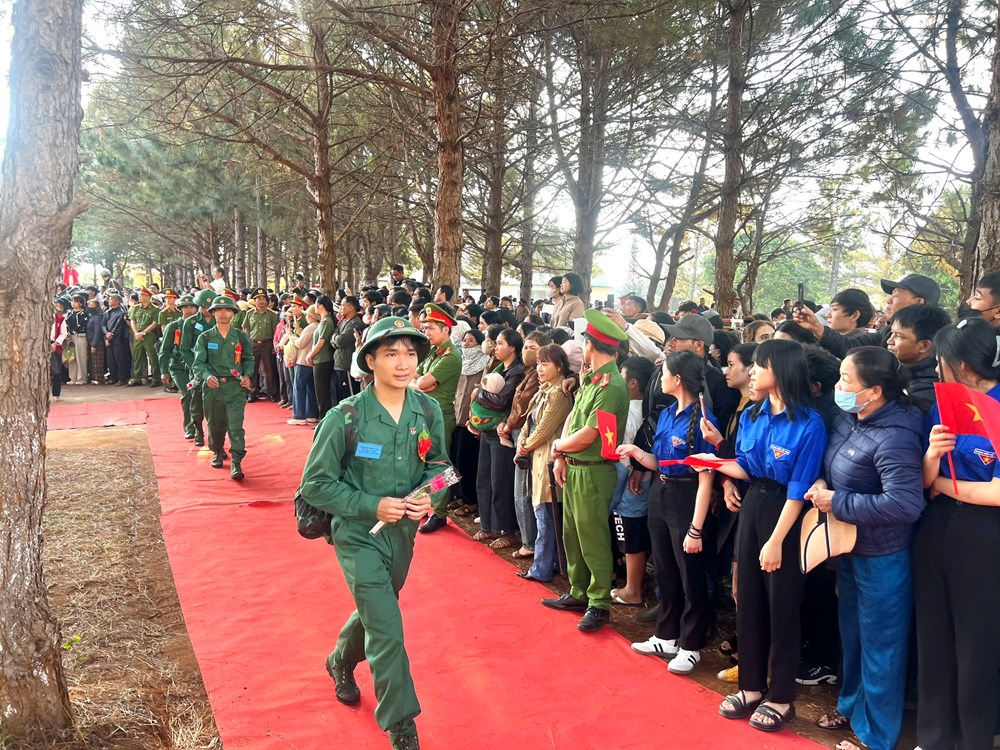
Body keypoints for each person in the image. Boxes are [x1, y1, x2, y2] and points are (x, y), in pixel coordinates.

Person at [298, 315, 449, 750]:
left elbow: (442, 468)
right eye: (391, 354)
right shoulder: (345, 417)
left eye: (411, 354)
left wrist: (429, 497)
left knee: (375, 612)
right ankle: (402, 725)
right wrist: (370, 504)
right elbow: (316, 484)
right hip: (357, 534)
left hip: (402, 535)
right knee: (387, 627)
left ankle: (339, 661)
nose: (404, 363)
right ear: (370, 361)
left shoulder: (427, 410)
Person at [803, 347, 924, 750]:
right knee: (853, 635)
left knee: (882, 645)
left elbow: (905, 504)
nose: (838, 387)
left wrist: (837, 502)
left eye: (845, 380)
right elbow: (830, 465)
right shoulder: (848, 420)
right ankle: (852, 705)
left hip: (883, 556)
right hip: (849, 548)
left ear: (873, 391)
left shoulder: (897, 436)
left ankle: (876, 734)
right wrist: (821, 484)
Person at [703, 339, 827, 733]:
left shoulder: (809, 423)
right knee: (749, 599)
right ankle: (752, 686)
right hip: (754, 503)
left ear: (783, 370)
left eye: (760, 364)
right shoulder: (754, 414)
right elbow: (748, 466)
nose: (753, 371)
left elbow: (798, 486)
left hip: (786, 516)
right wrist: (715, 464)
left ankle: (782, 696)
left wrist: (776, 540)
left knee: (782, 605)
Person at [914, 317, 1000, 750]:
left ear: (963, 363)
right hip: (937, 526)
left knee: (976, 640)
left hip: (985, 536)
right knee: (933, 634)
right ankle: (934, 735)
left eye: (941, 360)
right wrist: (932, 456)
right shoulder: (945, 403)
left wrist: (943, 484)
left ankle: (975, 738)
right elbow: (924, 477)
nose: (936, 368)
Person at [619, 350, 719, 674]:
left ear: (678, 379)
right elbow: (660, 461)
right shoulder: (667, 414)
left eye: (664, 374)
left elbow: (706, 477)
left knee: (690, 575)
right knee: (665, 569)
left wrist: (696, 528)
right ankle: (666, 635)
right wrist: (636, 452)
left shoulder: (702, 421)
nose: (659, 379)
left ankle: (691, 645)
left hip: (687, 497)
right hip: (660, 492)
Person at [542, 309, 630, 632]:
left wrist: (558, 448)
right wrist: (562, 455)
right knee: (573, 535)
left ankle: (599, 603)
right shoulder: (592, 380)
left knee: (592, 537)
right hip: (576, 466)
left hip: (594, 470)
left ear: (591, 345)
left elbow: (591, 434)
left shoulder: (611, 386)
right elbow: (573, 421)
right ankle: (578, 591)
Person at [516, 343, 574, 583]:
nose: (539, 368)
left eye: (545, 363)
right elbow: (528, 423)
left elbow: (545, 428)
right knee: (543, 513)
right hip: (538, 459)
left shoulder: (560, 394)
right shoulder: (544, 391)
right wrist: (523, 442)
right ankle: (545, 563)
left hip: (550, 462)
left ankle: (542, 568)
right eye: (538, 363)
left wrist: (525, 445)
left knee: (546, 516)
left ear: (559, 366)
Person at [796, 274, 941, 358]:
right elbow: (851, 347)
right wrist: (816, 327)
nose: (889, 300)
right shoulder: (886, 332)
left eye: (896, 296)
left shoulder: (940, 347)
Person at [471, 328, 526, 549]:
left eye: (500, 343)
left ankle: (505, 529)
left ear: (513, 347)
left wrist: (478, 394)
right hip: (487, 430)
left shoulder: (517, 371)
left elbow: (501, 400)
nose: (496, 347)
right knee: (483, 478)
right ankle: (487, 525)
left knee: (500, 481)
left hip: (502, 431)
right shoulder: (498, 367)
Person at [607, 356, 656, 606]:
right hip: (638, 479)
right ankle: (632, 584)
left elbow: (623, 453)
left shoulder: (631, 412)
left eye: (621, 375)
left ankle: (633, 589)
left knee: (630, 531)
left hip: (631, 481)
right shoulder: (644, 409)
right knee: (632, 532)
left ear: (633, 383)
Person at [192, 295, 255, 480]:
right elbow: (198, 363)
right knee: (215, 425)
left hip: (235, 388)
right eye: (218, 310)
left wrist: (246, 375)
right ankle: (217, 451)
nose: (223, 313)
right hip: (214, 388)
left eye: (227, 310)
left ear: (233, 313)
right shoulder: (205, 337)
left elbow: (248, 359)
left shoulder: (242, 337)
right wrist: (207, 376)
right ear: (212, 313)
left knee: (236, 426)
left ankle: (236, 461)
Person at [499, 330, 550, 556]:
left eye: (533, 348)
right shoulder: (530, 372)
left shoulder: (546, 381)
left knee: (524, 491)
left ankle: (529, 542)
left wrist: (512, 428)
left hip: (527, 436)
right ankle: (528, 540)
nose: (527, 352)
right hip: (521, 433)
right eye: (526, 347)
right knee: (520, 490)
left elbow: (523, 409)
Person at [413, 303, 461, 533]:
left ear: (446, 329)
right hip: (425, 414)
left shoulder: (451, 356)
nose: (426, 332)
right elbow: (415, 376)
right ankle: (426, 504)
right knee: (422, 460)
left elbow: (420, 383)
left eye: (431, 328)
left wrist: (420, 384)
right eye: (425, 328)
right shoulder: (435, 352)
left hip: (440, 417)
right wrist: (420, 384)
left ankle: (440, 513)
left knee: (439, 464)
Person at [451, 329, 490, 516]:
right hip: (456, 418)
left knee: (468, 462)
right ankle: (460, 496)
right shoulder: (461, 362)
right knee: (456, 459)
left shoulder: (485, 363)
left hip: (471, 421)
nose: (466, 344)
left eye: (471, 341)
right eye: (464, 340)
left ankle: (471, 501)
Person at [886, 304, 951, 414]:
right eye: (892, 333)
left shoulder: (930, 389)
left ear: (924, 346)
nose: (889, 341)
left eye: (899, 336)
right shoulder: (898, 369)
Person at [179, 289, 218, 446]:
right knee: (196, 402)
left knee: (216, 405)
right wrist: (195, 367)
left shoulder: (220, 321)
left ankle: (215, 436)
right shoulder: (191, 323)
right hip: (197, 369)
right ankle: (198, 432)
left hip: (216, 368)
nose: (207, 310)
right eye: (203, 307)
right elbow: (185, 349)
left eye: (210, 307)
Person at [158, 294, 199, 438]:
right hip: (178, 367)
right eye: (185, 307)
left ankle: (199, 428)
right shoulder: (173, 326)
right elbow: (164, 351)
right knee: (188, 394)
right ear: (180, 309)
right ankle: (190, 428)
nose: (188, 310)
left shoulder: (200, 326)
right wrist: (164, 371)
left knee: (199, 397)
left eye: (192, 306)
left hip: (197, 367)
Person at [242, 287, 280, 402]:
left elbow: (276, 331)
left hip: (267, 344)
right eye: (258, 299)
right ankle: (252, 393)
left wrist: (274, 345)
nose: (261, 301)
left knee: (269, 369)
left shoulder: (272, 315)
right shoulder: (249, 314)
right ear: (255, 300)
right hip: (253, 344)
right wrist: (246, 343)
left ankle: (272, 392)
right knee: (252, 369)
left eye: (263, 299)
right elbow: (245, 328)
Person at [289, 305, 320, 425]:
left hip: (303, 361)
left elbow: (300, 343)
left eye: (307, 315)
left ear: (312, 316)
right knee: (311, 388)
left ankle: (299, 415)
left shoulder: (310, 327)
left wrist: (292, 338)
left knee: (299, 388)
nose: (306, 317)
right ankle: (311, 414)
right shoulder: (319, 327)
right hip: (313, 362)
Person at [332, 295, 365, 404]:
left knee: (349, 396)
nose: (340, 308)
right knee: (340, 396)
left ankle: (351, 419)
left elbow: (341, 340)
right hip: (339, 363)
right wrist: (336, 337)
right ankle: (343, 419)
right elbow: (333, 340)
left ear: (350, 308)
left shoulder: (355, 323)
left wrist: (336, 337)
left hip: (346, 365)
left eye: (342, 306)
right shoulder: (343, 322)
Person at [128, 287, 161, 387]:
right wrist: (136, 333)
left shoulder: (155, 309)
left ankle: (156, 378)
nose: (140, 297)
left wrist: (143, 333)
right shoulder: (136, 308)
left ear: (149, 297)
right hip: (137, 335)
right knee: (137, 357)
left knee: (153, 357)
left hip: (149, 335)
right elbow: (133, 321)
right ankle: (137, 377)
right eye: (140, 295)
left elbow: (155, 323)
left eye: (143, 295)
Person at [102, 292, 130, 386]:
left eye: (111, 299)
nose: (109, 301)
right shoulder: (107, 312)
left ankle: (122, 378)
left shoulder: (121, 312)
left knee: (120, 360)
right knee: (110, 360)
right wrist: (106, 333)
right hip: (108, 338)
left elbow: (118, 326)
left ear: (117, 301)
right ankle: (113, 377)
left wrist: (110, 335)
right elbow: (103, 325)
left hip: (118, 339)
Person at [65, 294, 89, 385]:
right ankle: (73, 377)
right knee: (72, 357)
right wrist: (68, 335)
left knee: (81, 357)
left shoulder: (85, 313)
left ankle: (81, 377)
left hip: (81, 336)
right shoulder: (70, 313)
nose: (73, 303)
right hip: (71, 336)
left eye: (75, 301)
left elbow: (83, 324)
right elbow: (66, 324)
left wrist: (74, 330)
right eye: (72, 301)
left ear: (81, 303)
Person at [85, 299, 105, 384]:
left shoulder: (98, 317)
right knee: (92, 360)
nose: (90, 307)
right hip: (90, 340)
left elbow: (98, 332)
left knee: (97, 361)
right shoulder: (91, 316)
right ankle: (93, 376)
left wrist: (94, 344)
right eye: (89, 305)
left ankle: (98, 378)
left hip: (96, 342)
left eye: (92, 305)